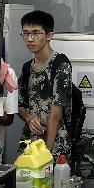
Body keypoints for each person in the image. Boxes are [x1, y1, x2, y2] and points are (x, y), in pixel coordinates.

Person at [16, 11, 72, 158]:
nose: (30, 39)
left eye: (36, 33)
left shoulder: (60, 64)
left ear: (49, 35)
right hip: (30, 142)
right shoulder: (27, 68)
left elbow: (56, 115)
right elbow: (19, 105)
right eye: (26, 33)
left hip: (55, 143)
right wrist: (28, 118)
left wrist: (45, 154)